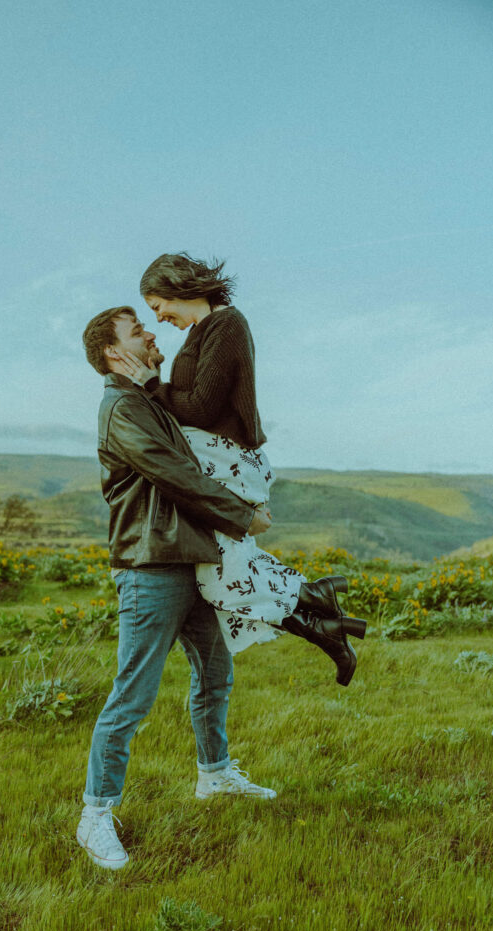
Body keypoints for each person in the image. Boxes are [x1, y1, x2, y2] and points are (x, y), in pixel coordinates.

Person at [77, 305, 276, 871]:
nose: (149, 331)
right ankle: (94, 816)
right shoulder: (121, 409)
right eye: (136, 331)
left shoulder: (148, 401)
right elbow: (176, 473)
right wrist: (243, 515)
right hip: (151, 566)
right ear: (114, 353)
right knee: (132, 695)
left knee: (216, 674)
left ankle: (215, 776)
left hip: (193, 560)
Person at [111, 252, 367, 683]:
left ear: (178, 288)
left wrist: (152, 387)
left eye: (158, 306)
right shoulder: (204, 330)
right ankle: (320, 617)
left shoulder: (227, 325)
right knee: (232, 568)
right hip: (218, 459)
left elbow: (202, 407)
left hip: (226, 459)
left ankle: (319, 611)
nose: (160, 317)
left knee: (221, 580)